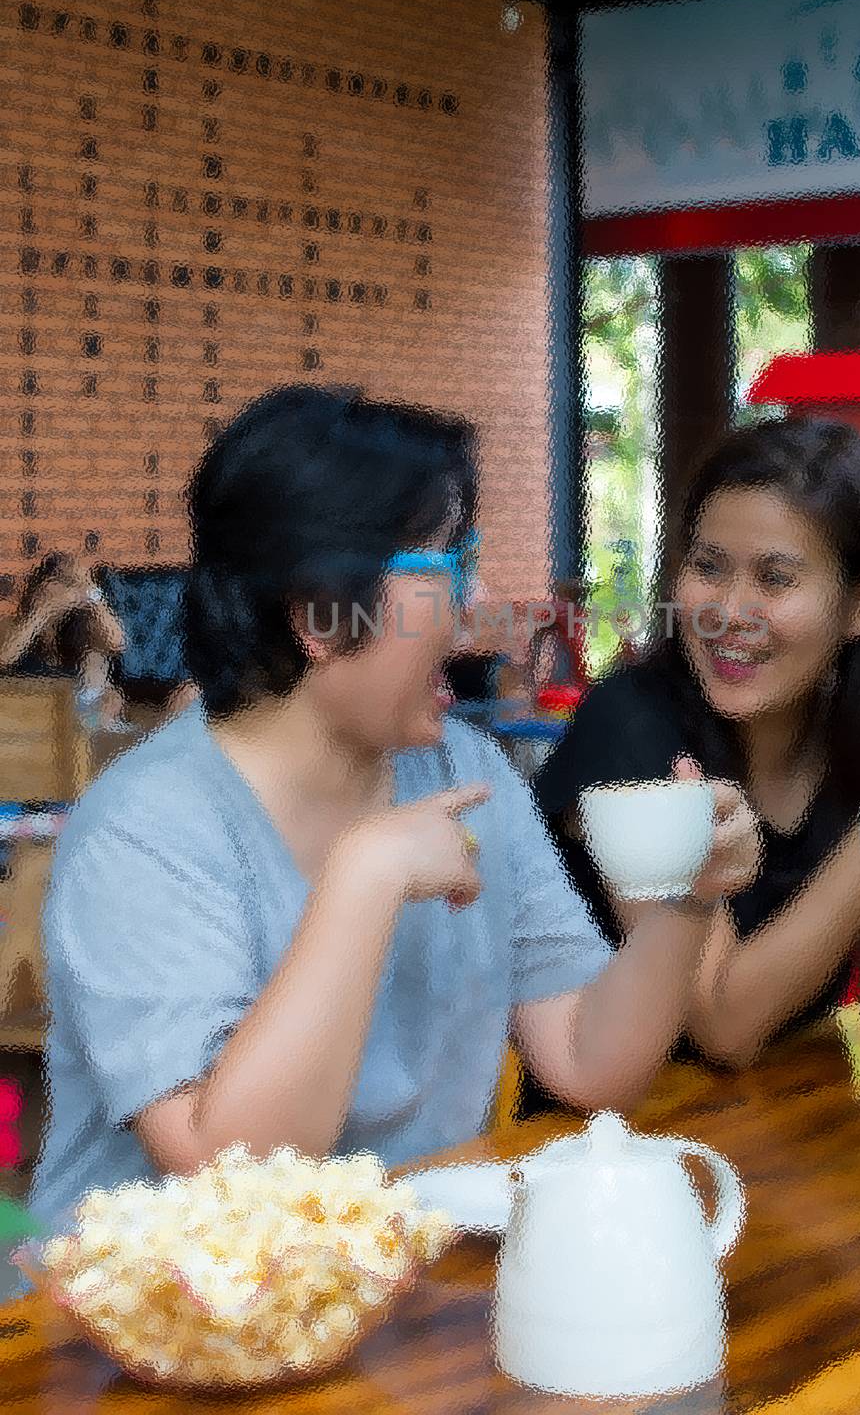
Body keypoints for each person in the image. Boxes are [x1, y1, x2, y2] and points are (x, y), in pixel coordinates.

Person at [30, 384, 754, 1235]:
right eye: (450, 566)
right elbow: (233, 1182)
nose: (472, 605)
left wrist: (684, 902)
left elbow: (589, 1062)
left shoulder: (466, 771)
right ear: (319, 618)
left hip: (395, 1297)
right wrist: (364, 882)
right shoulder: (148, 833)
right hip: (145, 1335)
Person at [530, 416, 860, 1097]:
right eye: (708, 567)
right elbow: (721, 1026)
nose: (728, 611)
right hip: (611, 1145)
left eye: (774, 579)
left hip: (776, 1133)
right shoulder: (630, 729)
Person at [0, 551, 126, 729]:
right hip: (26, 718)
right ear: (39, 587)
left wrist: (92, 593)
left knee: (95, 660)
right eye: (56, 581)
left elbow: (117, 644)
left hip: (71, 724)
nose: (64, 591)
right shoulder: (15, 626)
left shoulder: (81, 630)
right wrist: (43, 611)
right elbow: (5, 658)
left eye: (68, 584)